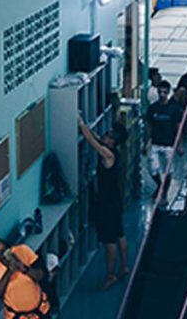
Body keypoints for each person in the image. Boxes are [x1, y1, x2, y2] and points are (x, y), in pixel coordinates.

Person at [78, 115, 129, 290]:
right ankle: (124, 267)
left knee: (110, 242)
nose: (104, 135)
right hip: (115, 200)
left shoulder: (108, 154)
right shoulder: (114, 151)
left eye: (108, 135)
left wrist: (80, 122)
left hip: (107, 204)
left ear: (113, 142)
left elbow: (92, 142)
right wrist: (87, 127)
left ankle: (110, 275)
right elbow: (96, 137)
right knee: (120, 234)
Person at [0, 233, 52, 319]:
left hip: (41, 310)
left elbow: (42, 275)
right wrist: (9, 272)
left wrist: (23, 268)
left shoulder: (22, 250)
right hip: (17, 316)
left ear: (0, 241)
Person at [146, 80, 184, 203]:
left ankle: (164, 193)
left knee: (168, 171)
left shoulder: (174, 109)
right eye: (160, 92)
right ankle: (160, 186)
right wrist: (146, 142)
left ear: (168, 92)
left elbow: (179, 127)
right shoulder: (153, 109)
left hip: (169, 144)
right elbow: (149, 126)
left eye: (165, 92)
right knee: (153, 169)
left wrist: (179, 145)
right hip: (155, 143)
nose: (162, 94)